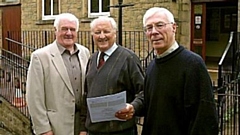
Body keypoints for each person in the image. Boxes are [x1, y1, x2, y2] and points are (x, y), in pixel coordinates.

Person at [115, 7, 219, 135]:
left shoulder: (193, 64)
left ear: (174, 27)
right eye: (149, 28)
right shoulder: (152, 65)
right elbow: (150, 100)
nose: (154, 32)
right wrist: (133, 108)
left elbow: (204, 119)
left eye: (160, 25)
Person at [26, 13, 90, 135]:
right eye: (64, 29)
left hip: (81, 125)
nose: (69, 33)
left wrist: (84, 127)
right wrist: (44, 129)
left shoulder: (85, 53)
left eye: (72, 29)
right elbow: (34, 97)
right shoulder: (40, 57)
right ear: (55, 31)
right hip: (55, 127)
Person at [83, 16, 144, 135]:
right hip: (93, 131)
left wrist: (133, 106)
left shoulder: (128, 59)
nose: (102, 36)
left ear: (114, 33)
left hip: (120, 131)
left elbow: (144, 91)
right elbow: (86, 93)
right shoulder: (92, 59)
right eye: (97, 32)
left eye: (106, 31)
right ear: (92, 35)